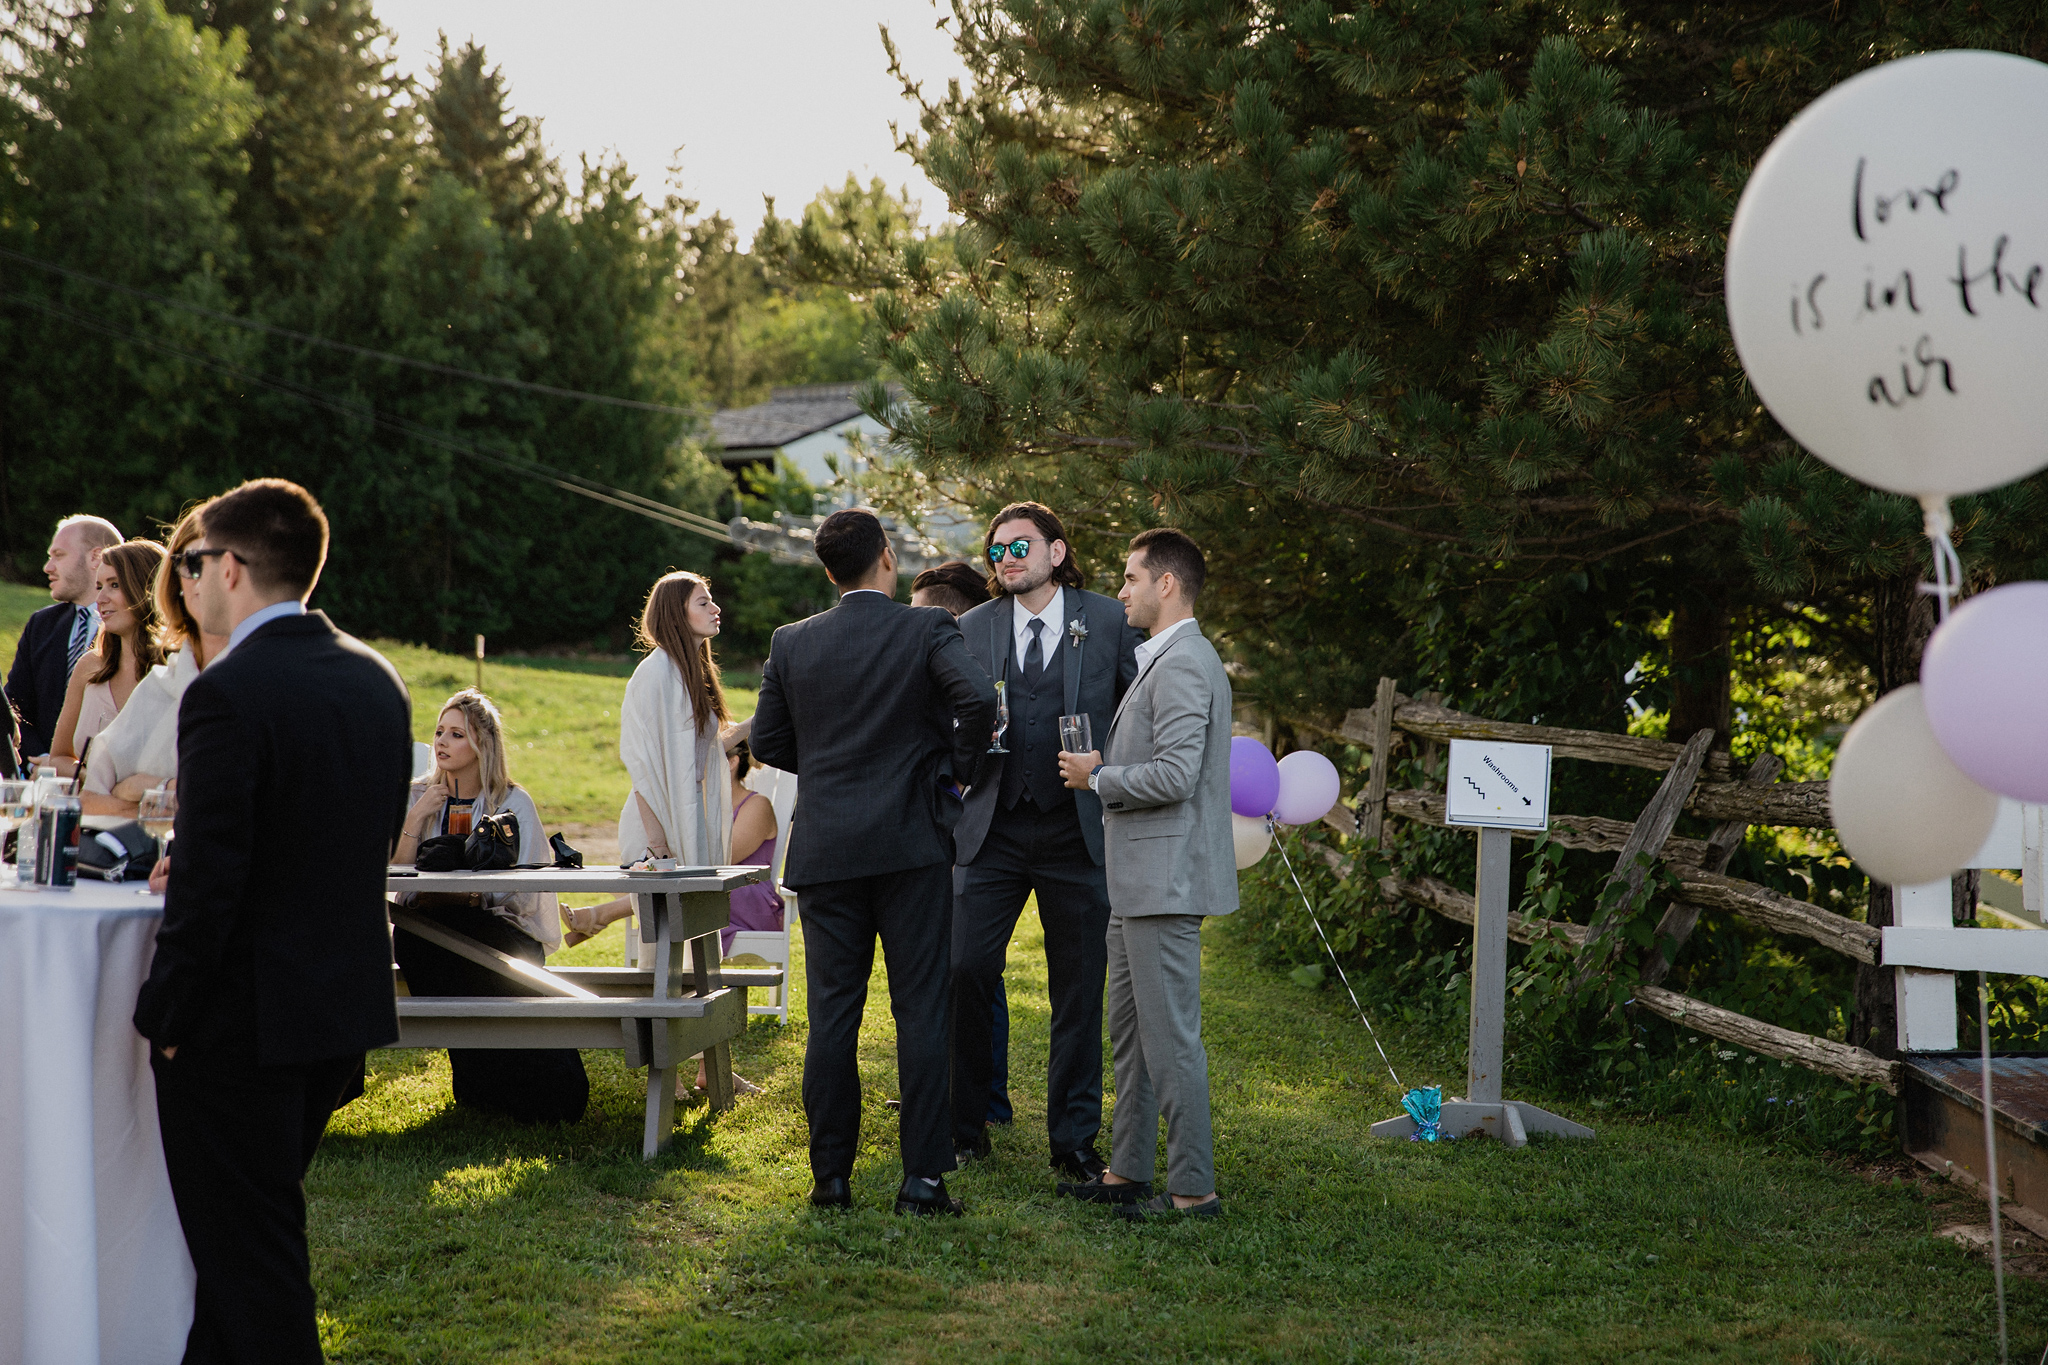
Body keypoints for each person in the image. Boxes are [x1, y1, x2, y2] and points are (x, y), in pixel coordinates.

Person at [134, 479, 412, 1363]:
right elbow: (330, 838)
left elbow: (211, 889)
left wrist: (165, 1017)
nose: (187, 577)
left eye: (194, 561)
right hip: (337, 1017)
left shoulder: (227, 693)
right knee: (238, 1262)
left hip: (240, 1025)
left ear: (233, 568)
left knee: (256, 1274)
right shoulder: (376, 677)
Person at [750, 508, 997, 1217]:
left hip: (827, 844)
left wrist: (829, 766)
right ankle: (922, 1179)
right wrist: (953, 769)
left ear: (830, 571)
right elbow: (978, 697)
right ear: (885, 558)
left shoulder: (792, 641)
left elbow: (767, 738)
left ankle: (830, 1178)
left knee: (833, 1015)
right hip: (912, 842)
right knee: (920, 1011)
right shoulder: (925, 627)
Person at [947, 507, 1144, 1182]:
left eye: (1020, 544)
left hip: (1076, 831)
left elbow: (1137, 714)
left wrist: (1107, 767)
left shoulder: (1109, 621)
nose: (1005, 556)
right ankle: (965, 1124)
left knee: (1078, 989)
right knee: (965, 968)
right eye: (996, 547)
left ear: (1056, 551)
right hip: (994, 827)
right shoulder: (972, 627)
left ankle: (1074, 1140)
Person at [1056, 527, 1233, 1220]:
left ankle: (1193, 1189)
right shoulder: (1160, 657)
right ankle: (1127, 1170)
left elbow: (1177, 774)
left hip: (1164, 881)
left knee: (1171, 1039)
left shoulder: (1187, 660)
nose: (1120, 590)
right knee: (1129, 1036)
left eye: (1130, 577)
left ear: (1166, 583)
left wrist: (1100, 774)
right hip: (1135, 884)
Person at [560, 570, 750, 1099]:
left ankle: (709, 1067)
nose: (716, 609)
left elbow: (708, 754)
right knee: (660, 965)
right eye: (704, 601)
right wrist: (659, 848)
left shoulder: (693, 673)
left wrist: (768, 712)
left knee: (698, 957)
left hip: (692, 834)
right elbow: (642, 768)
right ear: (675, 612)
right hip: (657, 833)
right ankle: (663, 1082)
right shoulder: (654, 674)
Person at [391, 688, 587, 1124]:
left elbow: (525, 889)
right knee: (424, 941)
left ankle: (526, 1088)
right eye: (439, 731)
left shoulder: (511, 803)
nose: (442, 741)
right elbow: (394, 875)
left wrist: (471, 893)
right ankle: (483, 1082)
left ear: (482, 745)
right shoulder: (416, 796)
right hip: (425, 932)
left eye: (456, 734)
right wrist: (417, 815)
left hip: (498, 931)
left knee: (493, 959)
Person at [908, 560, 1017, 1129]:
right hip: (929, 830)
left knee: (972, 969)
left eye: (924, 614)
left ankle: (985, 1099)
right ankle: (948, 1087)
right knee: (945, 967)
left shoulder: (979, 669)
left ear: (954, 617)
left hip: (976, 834)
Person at [82, 506, 232, 814]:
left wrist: (139, 788)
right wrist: (162, 792)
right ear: (174, 581)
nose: (204, 581)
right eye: (191, 563)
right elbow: (89, 799)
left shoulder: (263, 682)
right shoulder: (159, 686)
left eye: (220, 564)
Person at [48, 539, 167, 777]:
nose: (100, 599)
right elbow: (59, 757)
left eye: (114, 585)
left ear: (147, 589)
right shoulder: (89, 667)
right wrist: (90, 777)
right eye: (99, 586)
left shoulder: (176, 671)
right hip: (89, 808)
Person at [6, 513, 121, 760]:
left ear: (96, 557)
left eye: (59, 555)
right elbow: (15, 706)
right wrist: (47, 762)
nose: (48, 567)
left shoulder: (131, 627)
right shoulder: (41, 625)